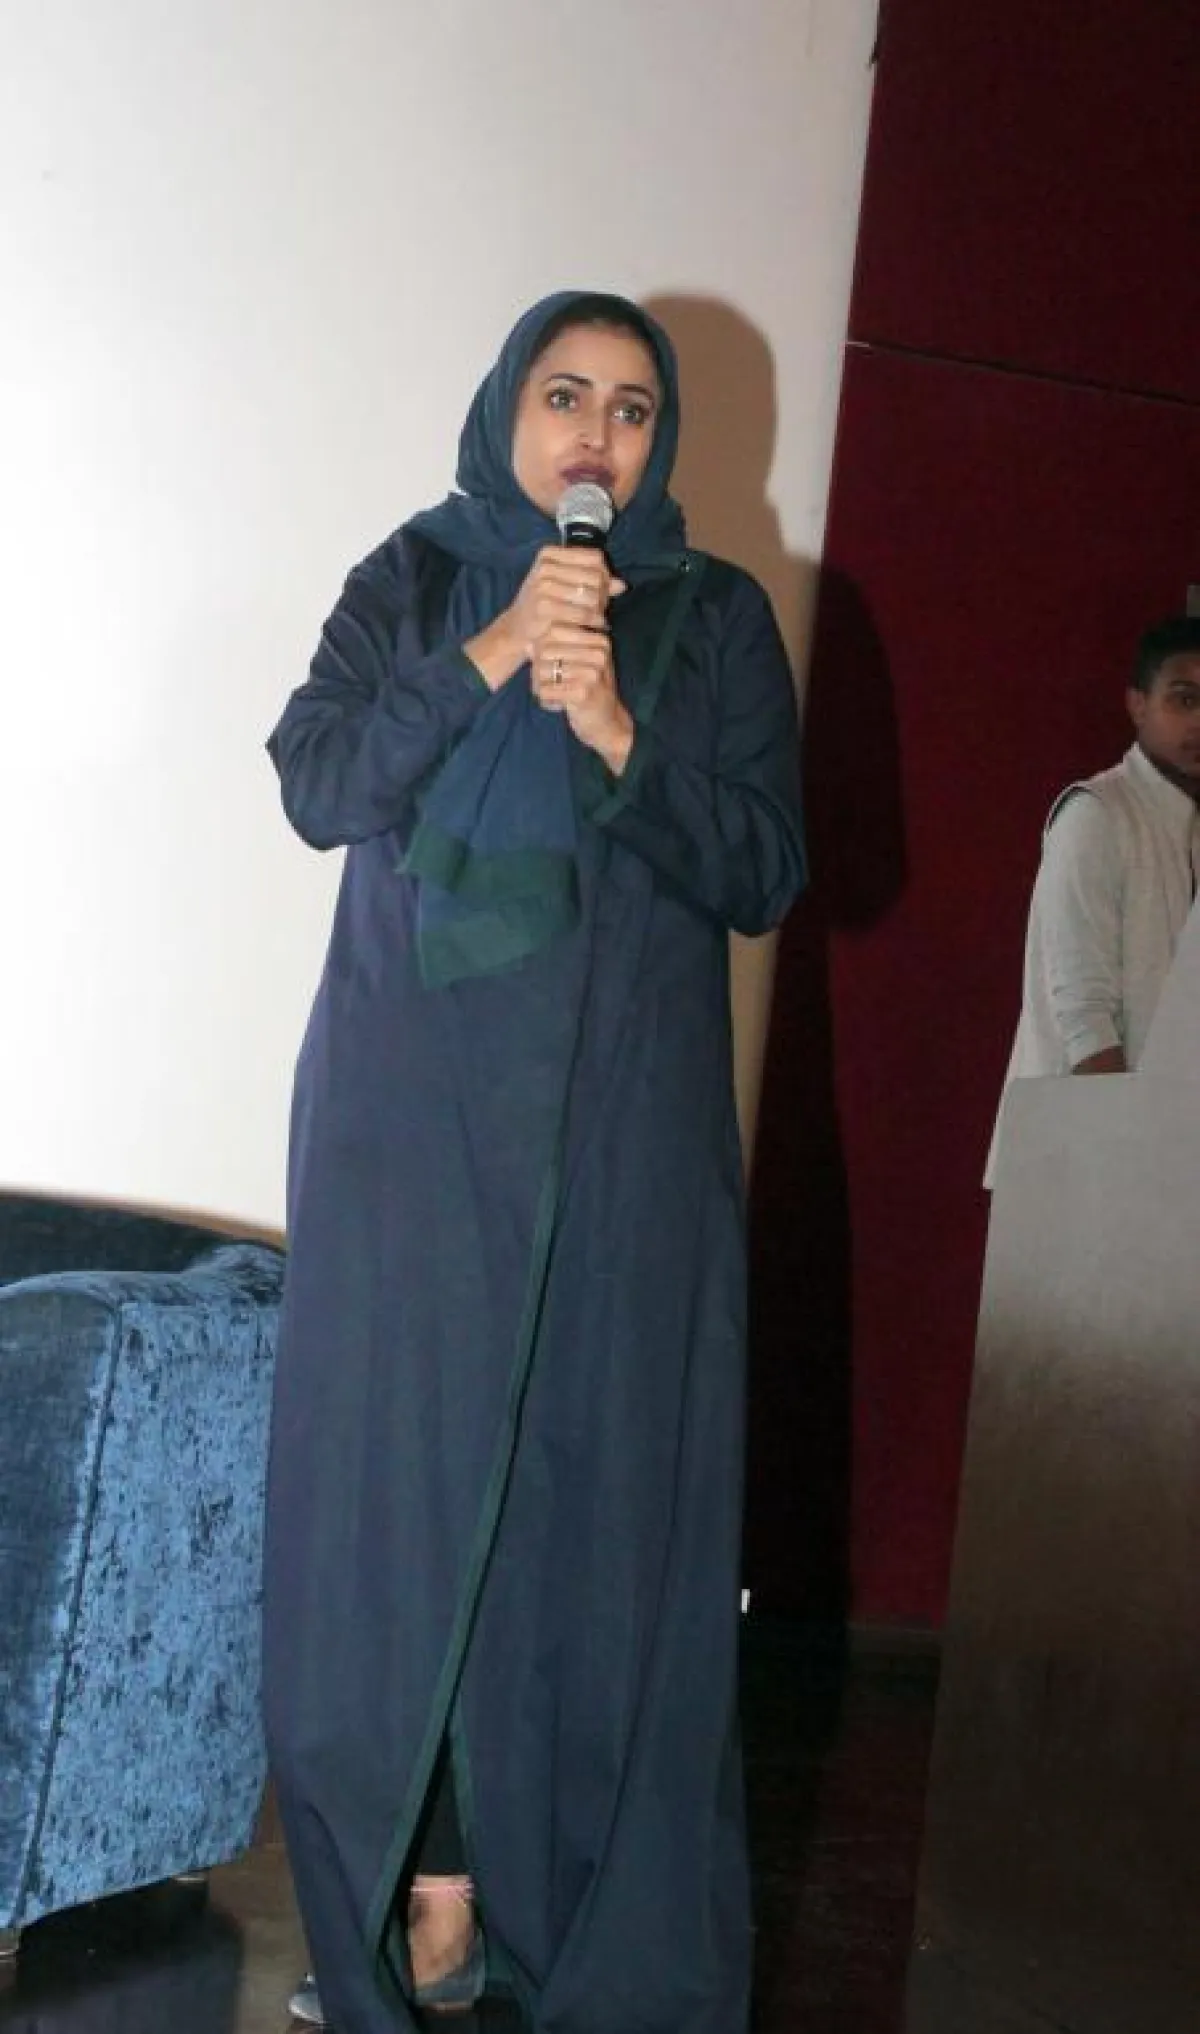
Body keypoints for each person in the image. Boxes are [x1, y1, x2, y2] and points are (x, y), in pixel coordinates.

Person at [261, 289, 806, 2034]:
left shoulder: (716, 616)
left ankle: (578, 1926)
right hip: (411, 1127)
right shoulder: (418, 575)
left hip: (625, 1130)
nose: (597, 434)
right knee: (403, 1505)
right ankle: (421, 1899)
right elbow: (320, 780)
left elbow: (767, 866)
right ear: (507, 411)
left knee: (596, 1511)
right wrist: (497, 648)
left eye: (633, 409)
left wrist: (622, 734)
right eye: (566, 395)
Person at [987, 615, 1200, 1182]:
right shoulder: (1096, 815)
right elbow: (1083, 1013)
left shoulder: (1187, 826)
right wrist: (1122, 1156)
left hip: (1167, 1153)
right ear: (1138, 704)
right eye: (1184, 699)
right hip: (1085, 1156)